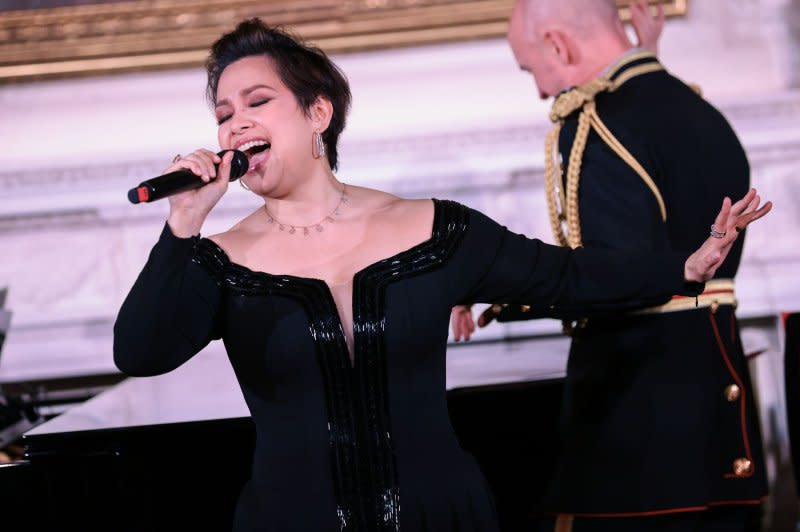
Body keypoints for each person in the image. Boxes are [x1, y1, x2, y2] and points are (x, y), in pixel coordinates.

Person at [113, 17, 770, 532]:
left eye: (257, 100)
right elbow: (140, 351)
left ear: (319, 113)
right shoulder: (217, 260)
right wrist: (185, 224)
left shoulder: (434, 229)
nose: (237, 122)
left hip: (443, 516)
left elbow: (567, 278)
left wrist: (680, 266)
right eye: (224, 113)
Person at [451, 1, 771, 530]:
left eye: (532, 68)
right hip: (718, 420)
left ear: (558, 44)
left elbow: (607, 273)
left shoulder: (597, 120)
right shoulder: (695, 109)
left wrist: (495, 284)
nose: (538, 89)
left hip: (639, 435)